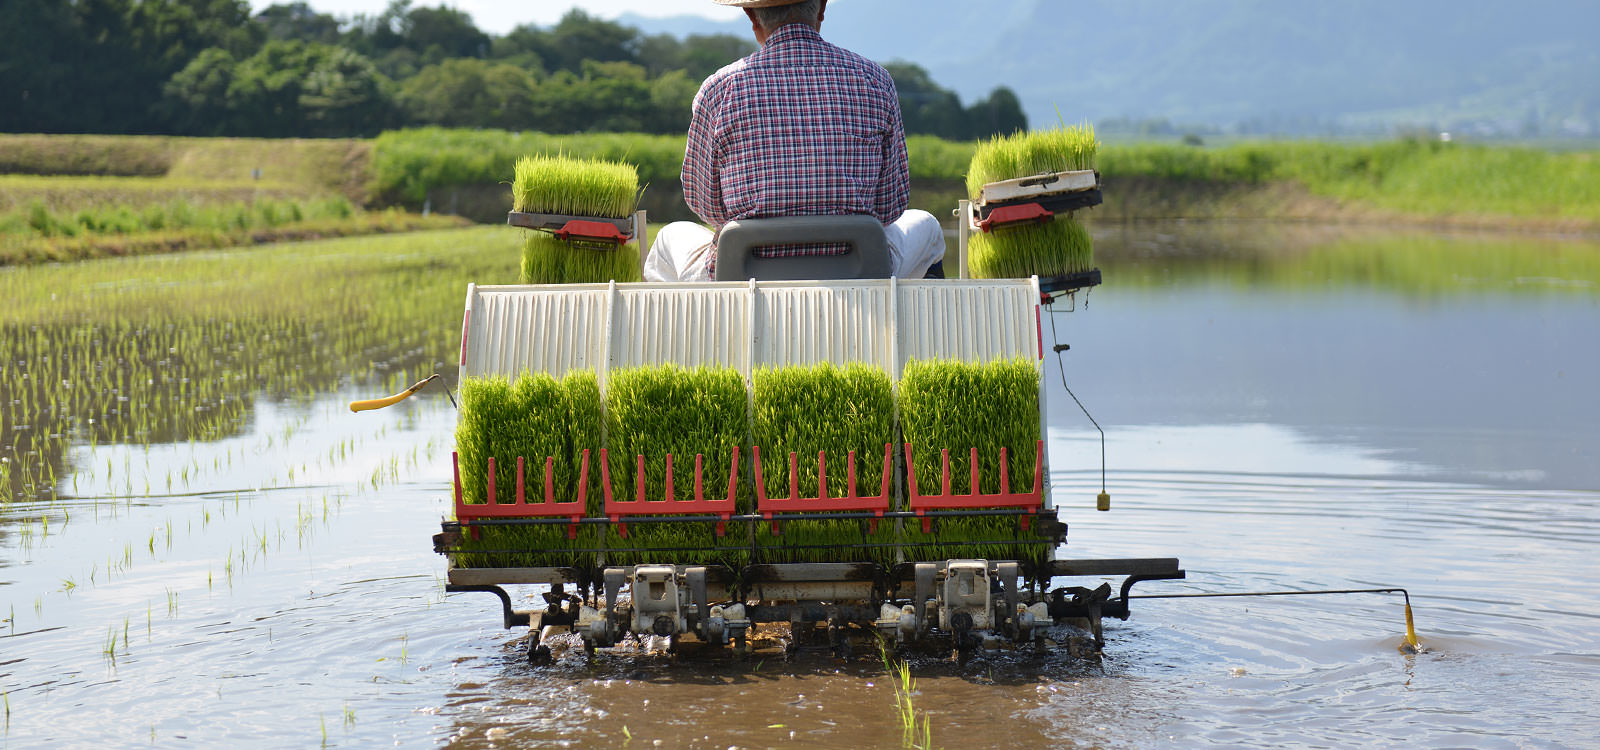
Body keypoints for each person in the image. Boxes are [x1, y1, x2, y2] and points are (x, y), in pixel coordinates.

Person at [644, 0, 946, 282]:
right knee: (927, 226)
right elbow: (890, 206)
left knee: (670, 237)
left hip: (741, 273)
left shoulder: (719, 90)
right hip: (860, 270)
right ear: (822, 7)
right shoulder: (875, 80)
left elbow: (707, 206)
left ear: (751, 16)